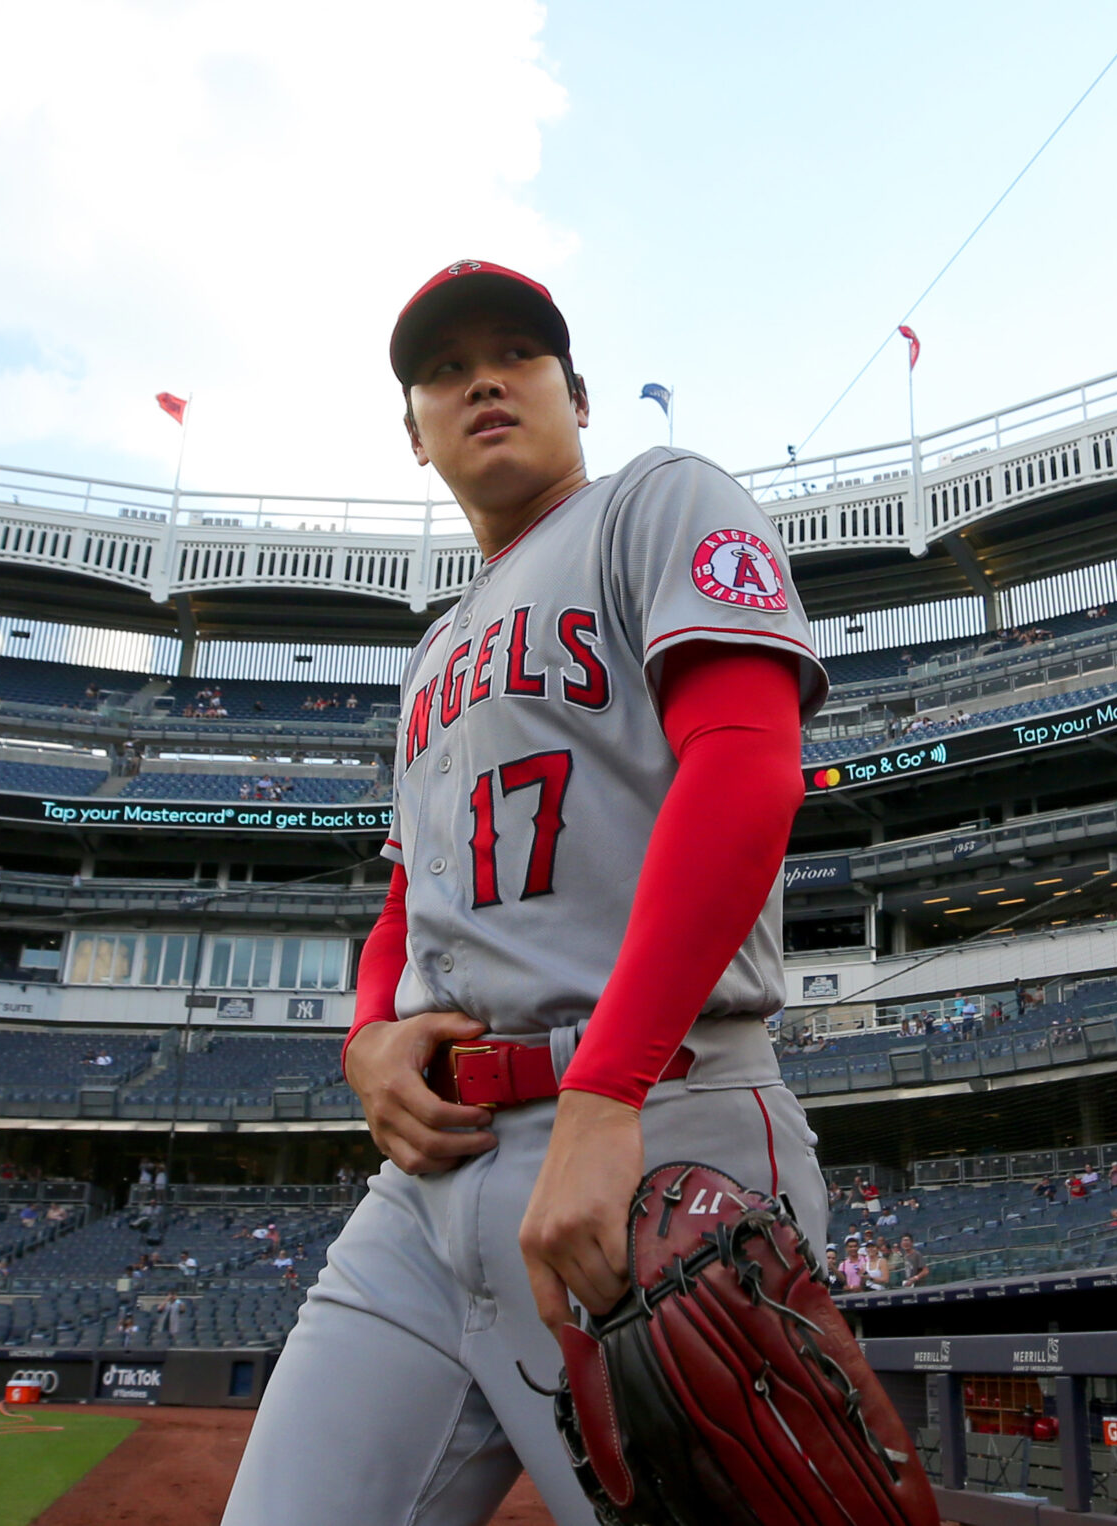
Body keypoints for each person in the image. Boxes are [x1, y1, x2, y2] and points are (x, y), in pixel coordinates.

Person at [228, 260, 833, 1525]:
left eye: (516, 352)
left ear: (577, 392)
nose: (482, 379)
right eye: (444, 369)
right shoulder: (433, 652)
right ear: (414, 433)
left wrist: (609, 1086)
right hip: (429, 1179)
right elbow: (407, 901)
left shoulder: (657, 501)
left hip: (658, 1126)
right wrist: (364, 1039)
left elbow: (746, 766)